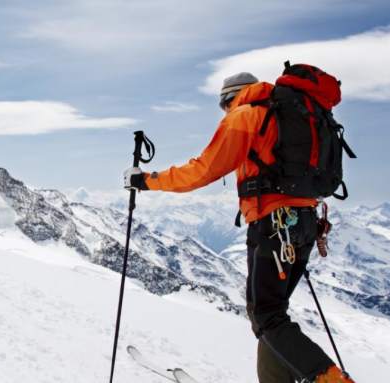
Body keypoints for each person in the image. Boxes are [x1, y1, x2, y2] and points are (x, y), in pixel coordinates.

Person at [123, 72, 354, 383]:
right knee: (273, 315)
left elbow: (203, 170)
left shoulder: (247, 115)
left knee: (267, 317)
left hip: (273, 226)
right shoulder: (291, 116)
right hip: (305, 226)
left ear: (229, 98)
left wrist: (147, 181)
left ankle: (329, 380)